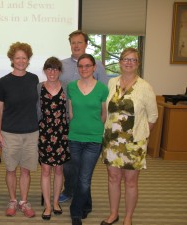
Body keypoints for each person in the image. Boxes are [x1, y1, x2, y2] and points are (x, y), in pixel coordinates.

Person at [100, 48, 158, 225]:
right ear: (120, 62)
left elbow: (153, 116)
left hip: (134, 143)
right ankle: (113, 214)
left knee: (130, 181)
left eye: (133, 60)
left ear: (138, 64)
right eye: (125, 59)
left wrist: (141, 136)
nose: (128, 62)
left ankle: (128, 218)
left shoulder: (145, 87)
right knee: (113, 178)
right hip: (111, 140)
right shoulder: (112, 83)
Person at [59, 30, 109, 203]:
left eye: (79, 42)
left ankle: (82, 192)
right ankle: (69, 190)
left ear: (86, 44)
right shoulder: (62, 65)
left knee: (85, 166)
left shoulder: (97, 65)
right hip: (64, 120)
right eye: (73, 42)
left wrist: (98, 123)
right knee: (68, 163)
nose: (76, 45)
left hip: (87, 122)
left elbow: (104, 94)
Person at [0, 42, 39, 218]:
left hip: (31, 132)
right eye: (17, 57)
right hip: (9, 132)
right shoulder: (3, 82)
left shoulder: (34, 79)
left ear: (28, 60)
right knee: (11, 169)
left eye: (24, 57)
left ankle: (24, 201)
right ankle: (13, 200)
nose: (21, 60)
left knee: (26, 170)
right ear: (12, 59)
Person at [68, 54, 108, 225]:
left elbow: (104, 114)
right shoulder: (71, 87)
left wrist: (94, 129)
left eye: (87, 66)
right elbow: (70, 113)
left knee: (84, 177)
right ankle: (87, 204)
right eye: (81, 66)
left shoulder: (102, 89)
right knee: (80, 175)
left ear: (94, 67)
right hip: (75, 137)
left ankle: (75, 212)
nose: (84, 69)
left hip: (93, 139)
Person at [37, 57, 70, 220]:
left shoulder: (66, 87)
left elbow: (69, 111)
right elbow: (36, 111)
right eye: (49, 69)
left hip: (62, 133)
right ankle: (48, 206)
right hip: (44, 133)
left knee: (58, 170)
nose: (52, 72)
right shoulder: (39, 87)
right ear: (45, 70)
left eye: (55, 69)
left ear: (60, 71)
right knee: (45, 170)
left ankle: (56, 202)